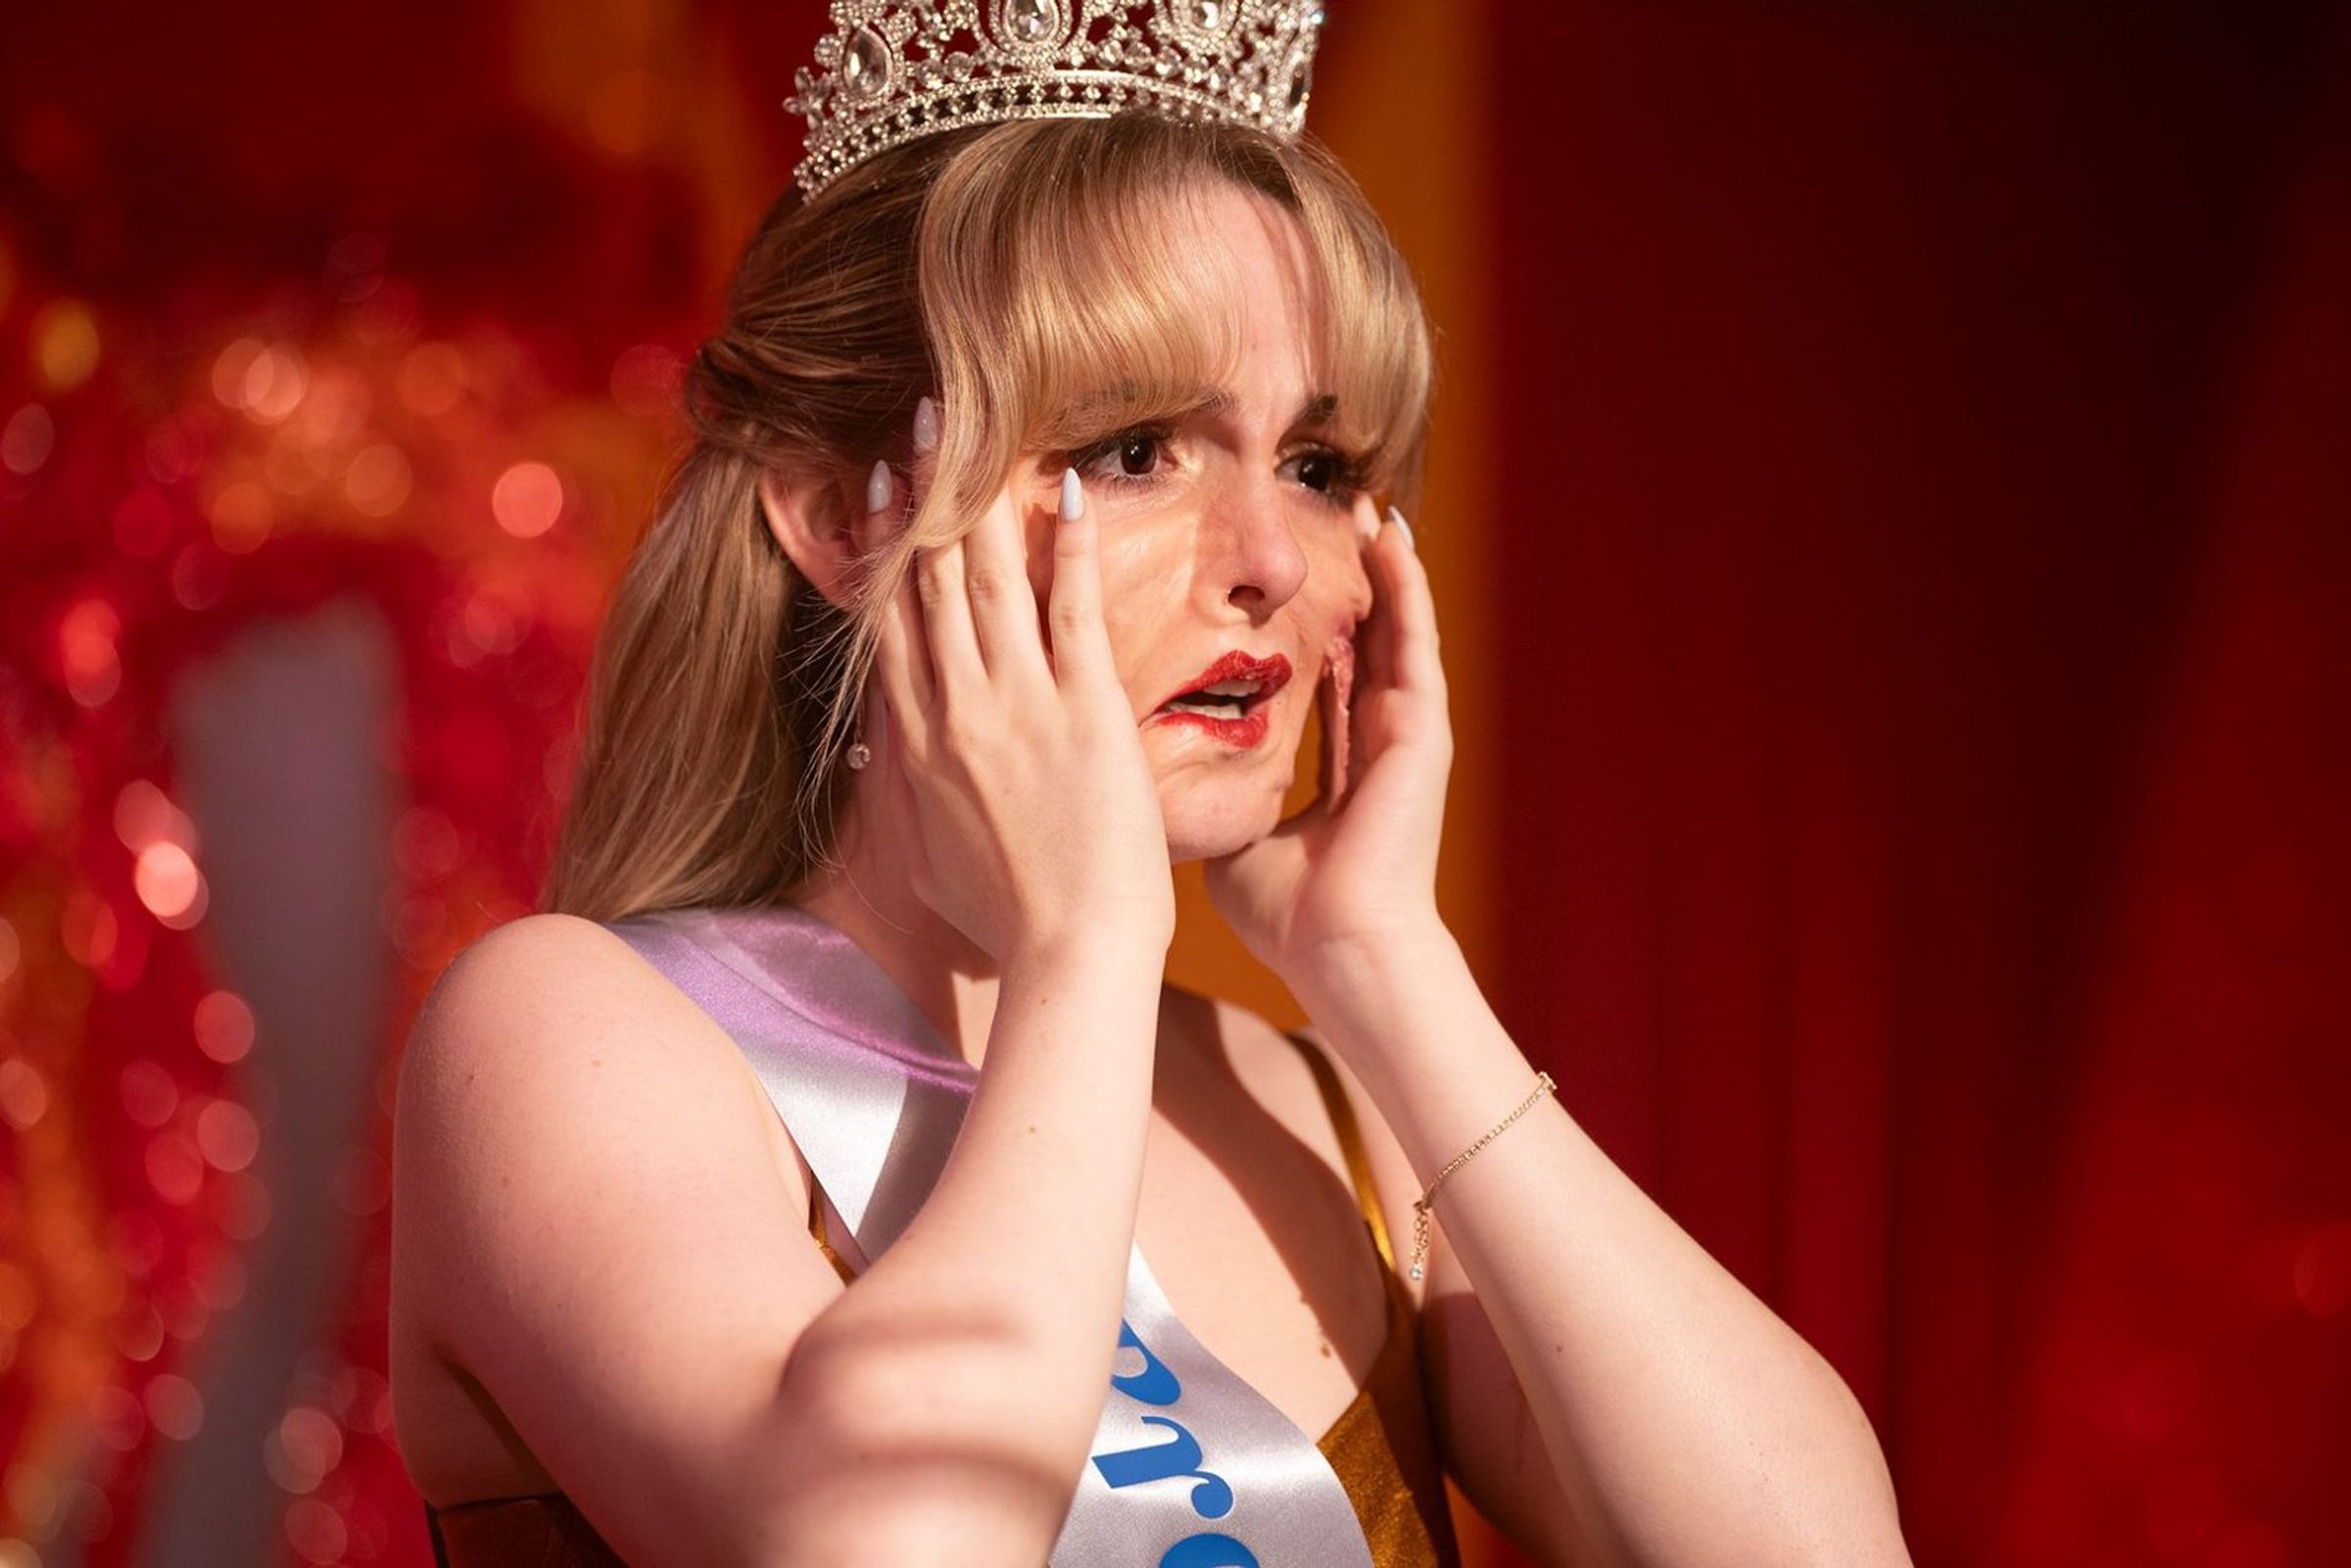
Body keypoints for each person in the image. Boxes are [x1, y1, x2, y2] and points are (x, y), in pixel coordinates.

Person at [390, 6, 1913, 1566]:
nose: (1271, 561)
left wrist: (1387, 963)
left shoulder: (1321, 1112)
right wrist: (1087, 942)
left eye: (1317, 466)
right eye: (1135, 448)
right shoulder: (573, 1035)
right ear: (843, 516)